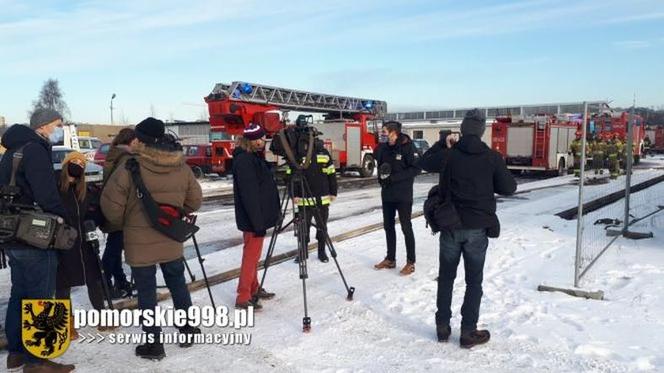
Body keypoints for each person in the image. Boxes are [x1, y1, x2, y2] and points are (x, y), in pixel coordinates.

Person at [100, 117, 202, 360]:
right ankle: (187, 328)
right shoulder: (180, 165)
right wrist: (175, 213)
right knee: (177, 282)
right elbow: (195, 200)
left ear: (140, 140)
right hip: (170, 237)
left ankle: (154, 344)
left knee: (146, 291)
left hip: (139, 242)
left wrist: (126, 221)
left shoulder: (130, 167)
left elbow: (111, 207)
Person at [418, 109, 516, 349]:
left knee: (447, 278)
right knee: (474, 282)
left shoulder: (449, 156)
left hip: (450, 226)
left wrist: (443, 142)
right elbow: (509, 188)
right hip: (477, 229)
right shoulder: (491, 157)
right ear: (482, 130)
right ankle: (468, 332)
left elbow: (423, 161)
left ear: (462, 129)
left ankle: (442, 327)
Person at [0, 109, 75, 372]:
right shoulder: (35, 150)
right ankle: (38, 360)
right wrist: (64, 219)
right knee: (41, 296)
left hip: (11, 233)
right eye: (57, 124)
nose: (59, 128)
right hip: (35, 235)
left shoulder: (11, 151)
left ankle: (16, 353)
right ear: (42, 126)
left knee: (20, 293)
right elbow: (46, 194)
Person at [54, 151, 109, 340]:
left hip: (84, 242)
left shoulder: (84, 190)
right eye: (74, 162)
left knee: (94, 279)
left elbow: (95, 212)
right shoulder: (55, 187)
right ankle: (66, 324)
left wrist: (96, 219)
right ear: (66, 164)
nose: (78, 165)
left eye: (81, 163)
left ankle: (102, 316)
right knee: (62, 284)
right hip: (63, 242)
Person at [232, 123, 280, 309]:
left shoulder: (252, 157)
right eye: (260, 139)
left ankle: (253, 288)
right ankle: (243, 296)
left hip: (256, 218)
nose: (263, 141)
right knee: (250, 257)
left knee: (254, 256)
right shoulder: (245, 161)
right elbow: (249, 194)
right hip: (253, 220)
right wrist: (257, 222)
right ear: (251, 140)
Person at [373, 121, 421, 275]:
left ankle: (410, 262)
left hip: (403, 195)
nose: (382, 133)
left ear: (394, 132)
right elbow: (380, 166)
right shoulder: (383, 148)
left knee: (406, 227)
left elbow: (416, 168)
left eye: (385, 131)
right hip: (387, 194)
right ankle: (390, 259)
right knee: (388, 226)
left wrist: (394, 178)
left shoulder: (407, 146)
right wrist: (382, 179)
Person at [287, 138, 338, 263]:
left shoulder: (324, 153)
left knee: (322, 227)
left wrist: (333, 192)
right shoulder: (298, 154)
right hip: (304, 199)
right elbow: (290, 176)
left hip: (322, 198)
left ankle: (322, 252)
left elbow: (331, 174)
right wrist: (293, 194)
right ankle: (303, 253)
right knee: (303, 228)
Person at [100, 128, 137, 298]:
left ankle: (118, 280)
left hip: (110, 205)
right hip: (120, 208)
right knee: (114, 249)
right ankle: (105, 284)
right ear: (132, 141)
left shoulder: (114, 154)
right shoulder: (126, 159)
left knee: (114, 247)